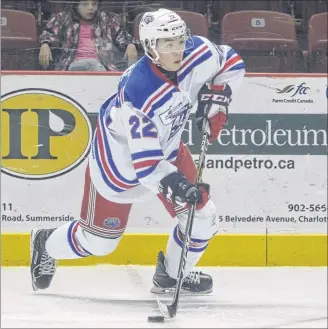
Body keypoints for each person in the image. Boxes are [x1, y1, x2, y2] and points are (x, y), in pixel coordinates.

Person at [30, 8, 245, 294]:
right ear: (150, 47)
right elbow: (147, 167)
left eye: (180, 40)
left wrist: (218, 97)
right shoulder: (138, 93)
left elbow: (230, 60)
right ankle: (45, 242)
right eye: (168, 44)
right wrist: (181, 186)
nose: (177, 50)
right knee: (99, 243)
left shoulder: (197, 52)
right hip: (120, 167)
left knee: (203, 217)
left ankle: (171, 273)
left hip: (167, 151)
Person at [38, 0, 138, 71]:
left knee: (95, 66)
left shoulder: (108, 19)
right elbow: (47, 34)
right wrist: (45, 44)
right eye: (85, 4)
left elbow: (124, 36)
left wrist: (131, 45)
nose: (91, 8)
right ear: (76, 5)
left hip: (101, 66)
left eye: (94, 3)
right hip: (70, 66)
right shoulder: (63, 18)